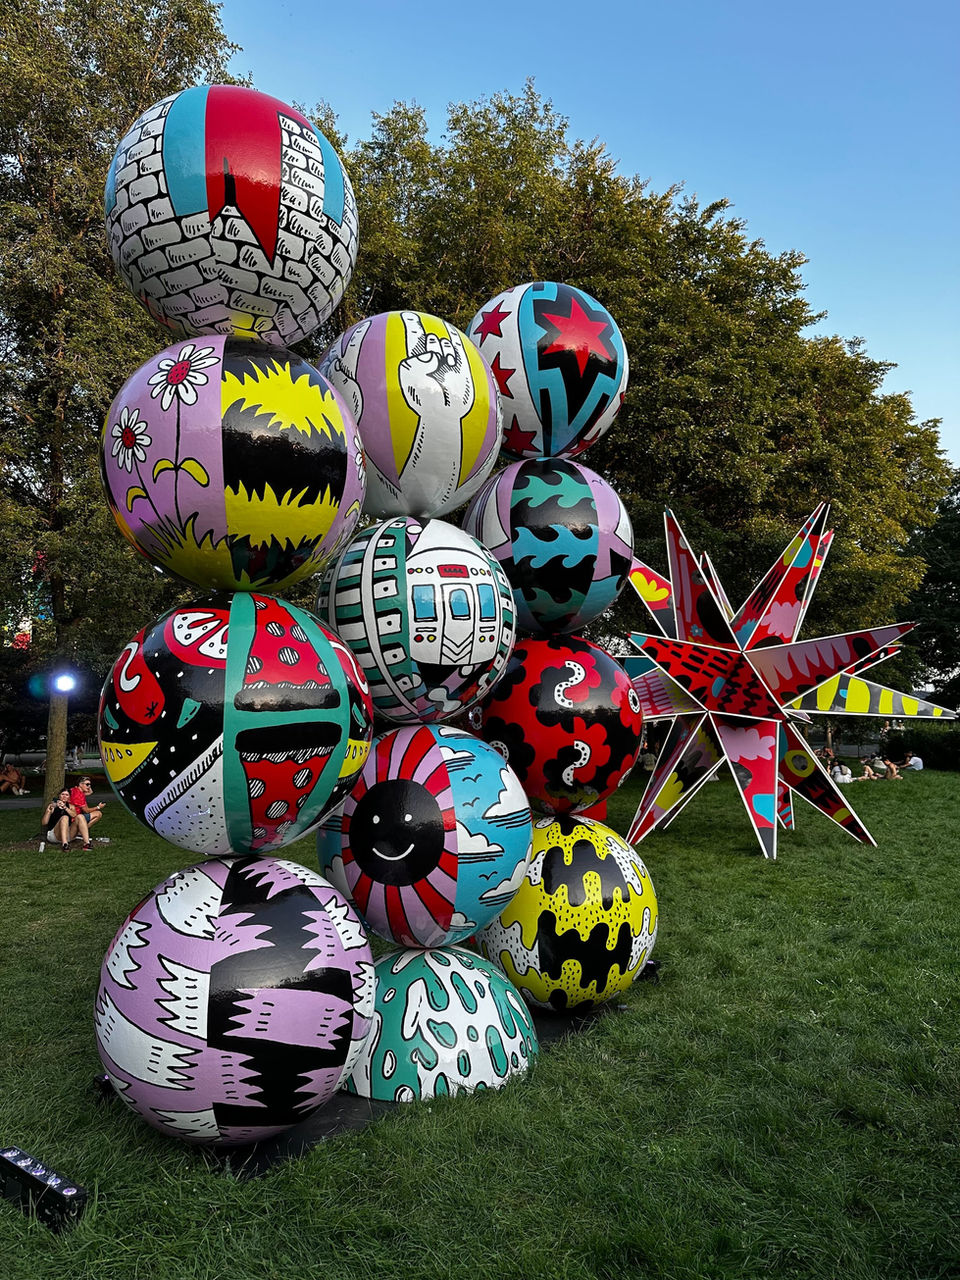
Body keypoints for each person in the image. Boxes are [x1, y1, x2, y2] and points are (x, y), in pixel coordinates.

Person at [68, 776, 105, 849]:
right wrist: (98, 807)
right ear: (80, 784)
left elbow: (90, 792)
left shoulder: (75, 790)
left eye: (90, 784)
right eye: (87, 784)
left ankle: (81, 832)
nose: (89, 786)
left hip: (74, 816)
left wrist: (88, 786)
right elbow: (86, 810)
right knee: (98, 814)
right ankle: (81, 832)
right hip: (75, 818)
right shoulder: (79, 795)